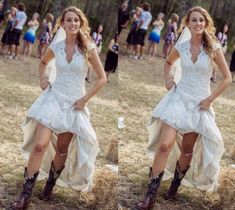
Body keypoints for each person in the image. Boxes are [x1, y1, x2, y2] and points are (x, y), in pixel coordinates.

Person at [134, 6, 232, 210]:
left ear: (206, 24)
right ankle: (150, 197)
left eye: (201, 20)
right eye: (194, 20)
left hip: (200, 104)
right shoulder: (183, 46)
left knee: (187, 149)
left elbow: (227, 79)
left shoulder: (213, 48)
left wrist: (210, 100)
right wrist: (168, 80)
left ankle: (174, 187)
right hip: (178, 99)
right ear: (187, 23)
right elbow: (168, 62)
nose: (198, 23)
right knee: (165, 145)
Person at [10, 6, 107, 210]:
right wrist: (43, 79)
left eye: (76, 21)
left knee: (62, 149)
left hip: (74, 103)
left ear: (80, 24)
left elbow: (102, 78)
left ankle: (49, 185)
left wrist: (85, 99)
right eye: (68, 20)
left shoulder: (88, 47)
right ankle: (25, 196)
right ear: (62, 23)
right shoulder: (57, 46)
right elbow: (42, 63)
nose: (72, 24)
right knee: (40, 144)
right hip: (53, 99)